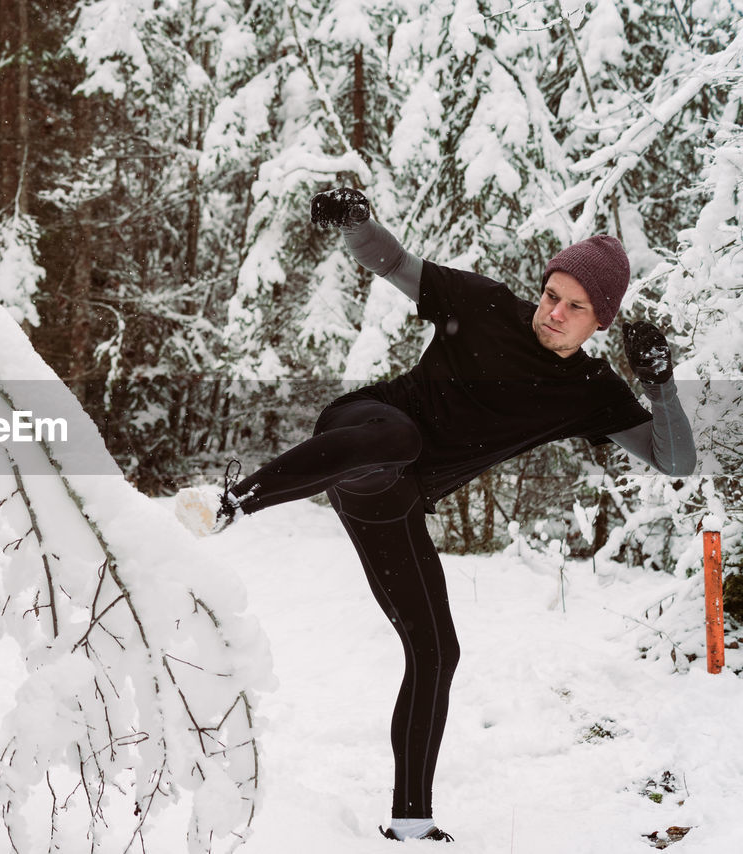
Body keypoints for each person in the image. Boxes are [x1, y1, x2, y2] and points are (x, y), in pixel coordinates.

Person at [175, 187, 696, 843]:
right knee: (401, 439)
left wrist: (661, 386)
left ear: (601, 320)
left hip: (393, 499)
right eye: (551, 295)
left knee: (436, 650)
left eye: (575, 306)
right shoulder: (484, 305)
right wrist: (359, 224)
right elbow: (394, 263)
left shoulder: (591, 392)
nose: (554, 313)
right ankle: (226, 505)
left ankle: (411, 823)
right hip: (362, 431)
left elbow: (673, 461)